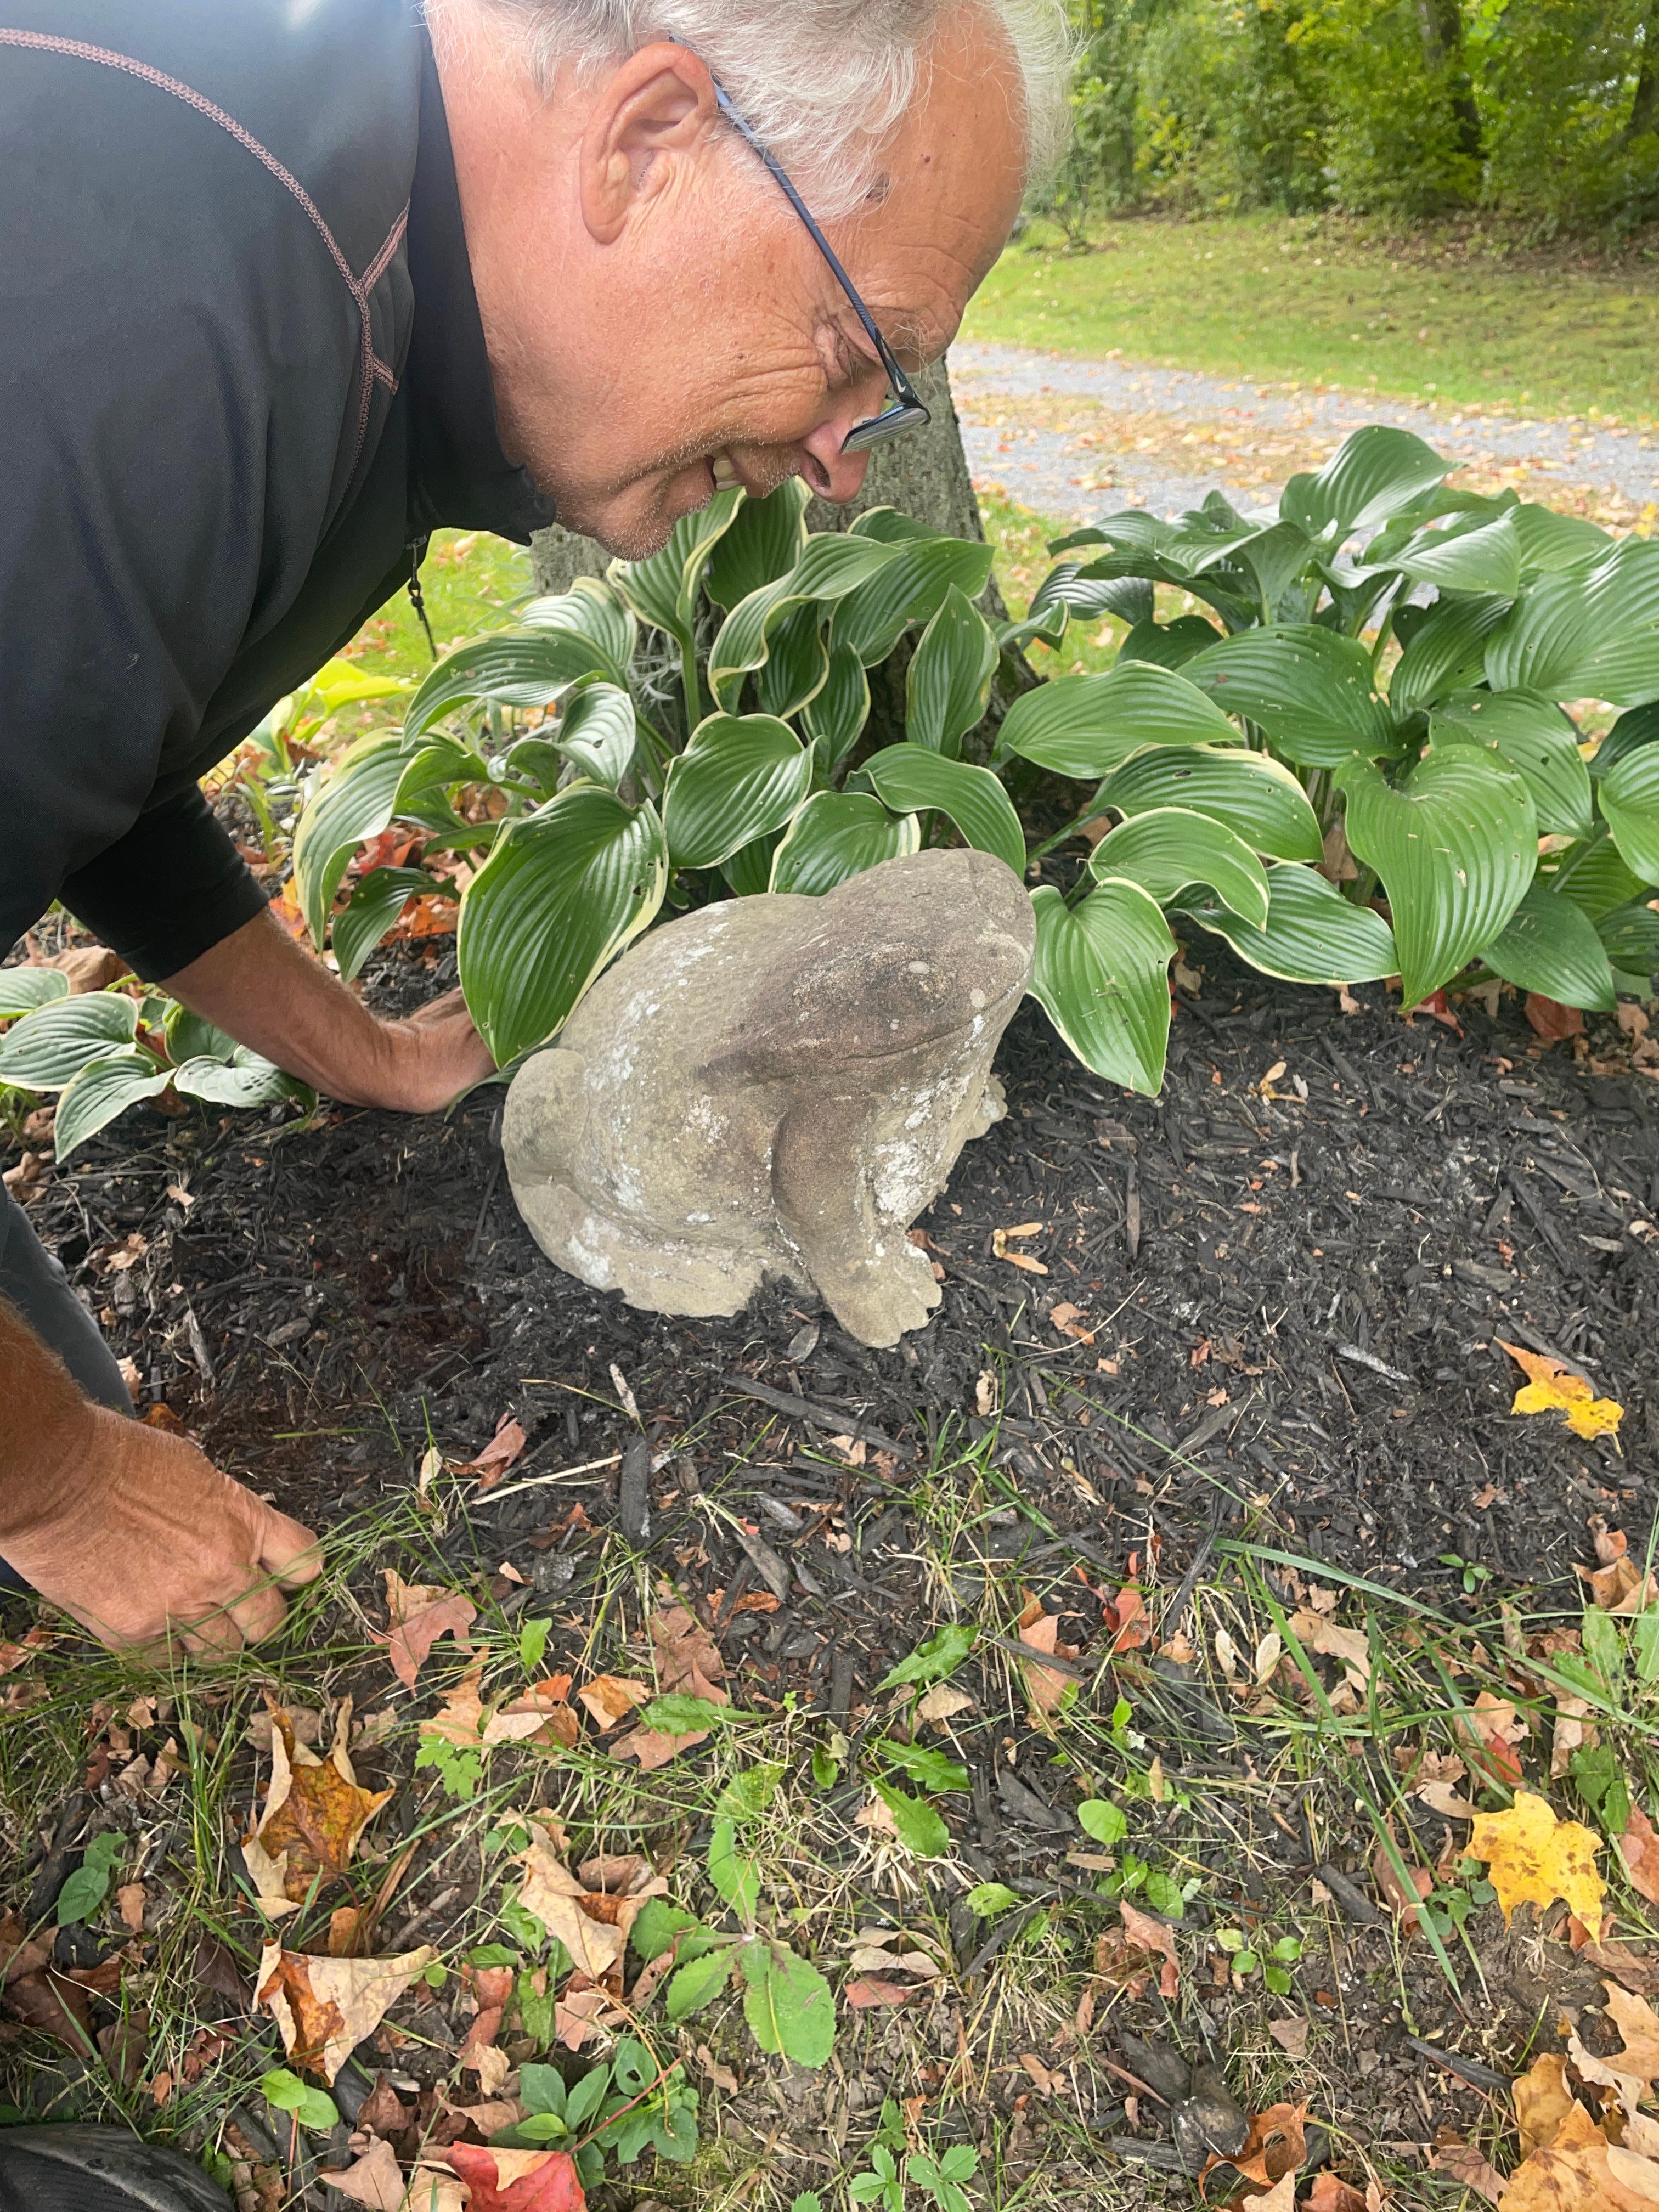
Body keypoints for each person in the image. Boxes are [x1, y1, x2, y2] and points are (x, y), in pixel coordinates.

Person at [0, 0, 1069, 1658]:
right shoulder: (151, 319)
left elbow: (80, 721)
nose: (843, 466)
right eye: (859, 345)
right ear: (649, 141)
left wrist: (358, 1050)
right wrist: (56, 1486)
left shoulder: (375, 279)